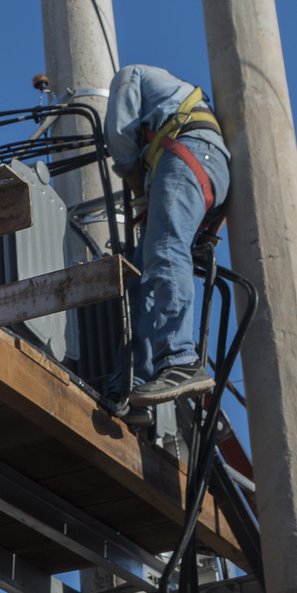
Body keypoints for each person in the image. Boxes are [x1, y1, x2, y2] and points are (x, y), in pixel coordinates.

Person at [104, 64, 231, 415]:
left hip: (186, 156)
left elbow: (119, 137)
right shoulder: (171, 96)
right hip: (201, 167)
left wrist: (134, 181)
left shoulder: (130, 75)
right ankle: (130, 386)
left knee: (165, 251)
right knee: (143, 278)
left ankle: (181, 360)